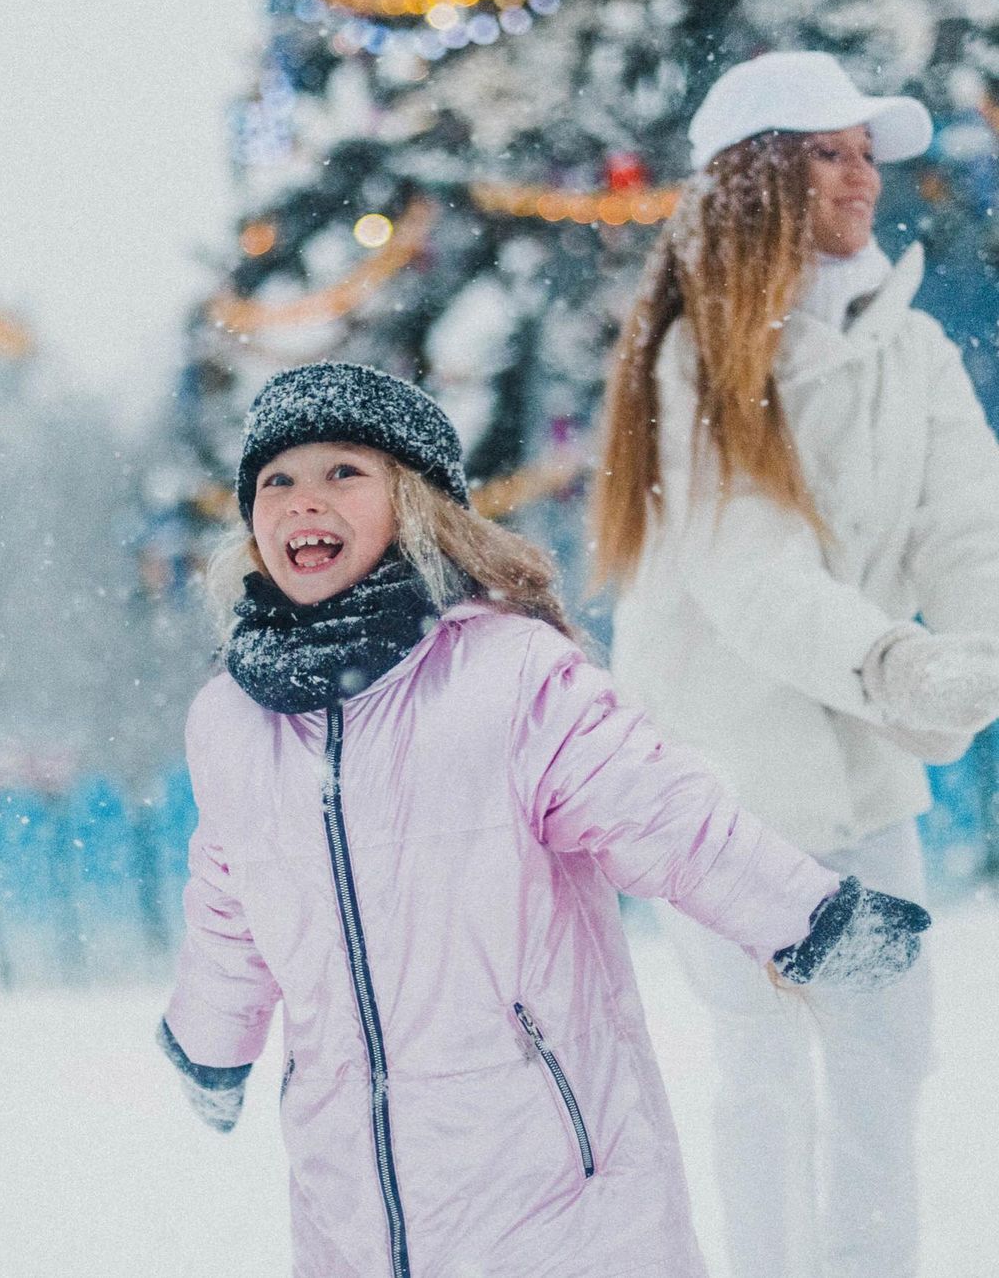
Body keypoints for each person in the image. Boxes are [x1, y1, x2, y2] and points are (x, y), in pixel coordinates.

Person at [157, 360, 929, 1278]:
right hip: (351, 1191)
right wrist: (212, 1043)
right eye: (276, 481)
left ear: (414, 503)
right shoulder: (233, 722)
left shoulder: (506, 676)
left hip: (550, 1170)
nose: (301, 501)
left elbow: (661, 810)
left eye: (343, 473)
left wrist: (810, 917)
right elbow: (229, 897)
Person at [594, 51, 999, 1278]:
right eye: (832, 151)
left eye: (869, 153)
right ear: (761, 177)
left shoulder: (912, 347)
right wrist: (890, 658)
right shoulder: (698, 358)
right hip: (722, 778)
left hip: (862, 771)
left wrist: (973, 662)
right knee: (763, 1067)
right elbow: (747, 571)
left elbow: (967, 525)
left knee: (889, 1052)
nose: (864, 176)